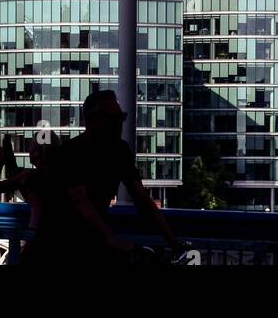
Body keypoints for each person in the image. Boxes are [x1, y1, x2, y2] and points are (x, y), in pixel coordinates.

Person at [55, 90, 183, 264]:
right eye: (111, 119)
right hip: (63, 240)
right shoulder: (70, 152)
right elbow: (79, 199)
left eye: (121, 117)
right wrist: (110, 237)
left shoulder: (120, 151)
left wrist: (174, 242)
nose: (119, 124)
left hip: (95, 239)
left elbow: (142, 199)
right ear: (91, 120)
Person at [0, 129, 68, 267]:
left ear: (36, 152)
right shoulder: (64, 178)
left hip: (35, 237)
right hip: (60, 238)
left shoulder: (29, 177)